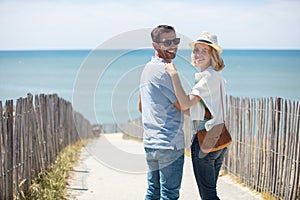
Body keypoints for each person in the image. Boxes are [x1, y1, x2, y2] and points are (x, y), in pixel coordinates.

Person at [165, 31, 227, 200]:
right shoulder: (217, 77)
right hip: (220, 138)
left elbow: (186, 103)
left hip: (205, 140)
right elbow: (196, 110)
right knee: (210, 192)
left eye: (204, 51)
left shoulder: (207, 78)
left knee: (208, 196)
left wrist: (174, 75)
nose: (198, 54)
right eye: (196, 50)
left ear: (212, 54)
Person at [138, 25, 185, 200]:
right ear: (155, 45)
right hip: (169, 144)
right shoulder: (166, 71)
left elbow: (141, 106)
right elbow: (184, 106)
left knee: (153, 192)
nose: (173, 45)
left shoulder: (147, 68)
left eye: (176, 41)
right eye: (167, 42)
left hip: (151, 142)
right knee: (169, 195)